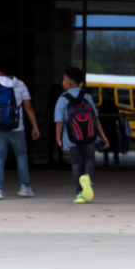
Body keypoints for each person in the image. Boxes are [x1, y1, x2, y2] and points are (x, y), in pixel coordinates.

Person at [0, 65, 41, 199]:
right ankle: (24, 187)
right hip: (17, 127)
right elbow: (28, 107)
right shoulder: (20, 84)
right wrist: (35, 126)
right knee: (21, 156)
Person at [55, 67, 110, 204]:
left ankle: (79, 193)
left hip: (73, 139)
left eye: (63, 80)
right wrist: (103, 137)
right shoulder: (87, 97)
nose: (62, 83)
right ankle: (88, 182)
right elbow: (95, 119)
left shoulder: (62, 99)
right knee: (89, 160)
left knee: (76, 163)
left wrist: (58, 138)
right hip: (89, 137)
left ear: (68, 83)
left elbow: (59, 122)